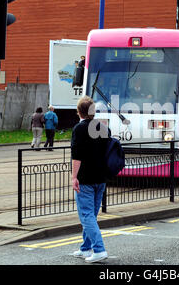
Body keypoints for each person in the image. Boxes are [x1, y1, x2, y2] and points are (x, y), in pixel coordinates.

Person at [71, 96, 110, 263]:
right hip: (101, 178)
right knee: (91, 215)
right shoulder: (103, 128)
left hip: (85, 179)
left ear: (79, 112)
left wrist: (74, 177)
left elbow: (76, 156)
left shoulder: (79, 129)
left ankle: (99, 249)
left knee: (86, 215)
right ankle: (85, 248)